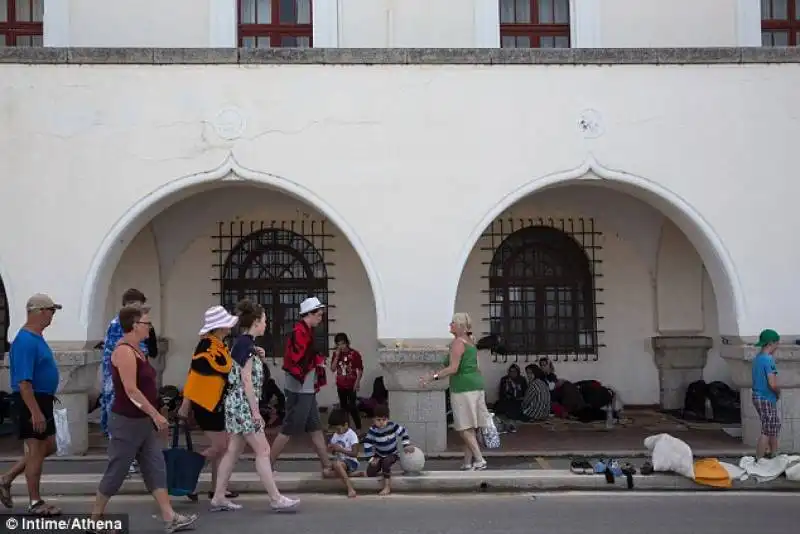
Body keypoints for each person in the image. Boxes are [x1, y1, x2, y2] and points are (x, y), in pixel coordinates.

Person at [89, 304, 197, 533]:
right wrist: (155, 414)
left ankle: (170, 517)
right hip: (127, 422)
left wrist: (156, 413)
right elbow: (131, 390)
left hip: (142, 422)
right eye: (147, 323)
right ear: (135, 325)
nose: (150, 327)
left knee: (155, 467)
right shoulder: (124, 352)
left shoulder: (139, 350)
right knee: (117, 470)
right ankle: (95, 519)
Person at [210, 299, 299, 512]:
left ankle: (219, 496)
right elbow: (246, 380)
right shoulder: (246, 345)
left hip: (235, 403)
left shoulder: (243, 344)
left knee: (233, 450)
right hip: (243, 404)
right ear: (256, 322)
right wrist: (256, 411)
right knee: (263, 449)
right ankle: (275, 498)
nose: (266, 324)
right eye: (265, 320)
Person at [0, 294, 62, 515]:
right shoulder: (25, 340)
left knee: (49, 446)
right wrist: (35, 412)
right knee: (36, 450)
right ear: (39, 311)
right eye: (51, 311)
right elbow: (24, 382)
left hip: (42, 400)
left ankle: (6, 478)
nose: (52, 316)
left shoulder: (36, 337)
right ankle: (35, 502)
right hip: (31, 401)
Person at [178, 305, 240, 503]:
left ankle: (218, 488)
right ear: (220, 327)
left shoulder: (217, 345)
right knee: (221, 445)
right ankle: (189, 475)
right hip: (206, 404)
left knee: (223, 446)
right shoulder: (207, 346)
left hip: (216, 402)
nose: (230, 328)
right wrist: (185, 403)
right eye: (227, 325)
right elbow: (194, 375)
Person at [269, 296, 332, 474]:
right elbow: (298, 359)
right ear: (309, 314)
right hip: (300, 387)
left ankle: (327, 465)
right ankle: (267, 464)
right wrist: (317, 361)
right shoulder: (299, 332)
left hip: (306, 386)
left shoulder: (304, 331)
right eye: (318, 315)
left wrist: (316, 360)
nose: (320, 318)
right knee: (289, 426)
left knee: (315, 426)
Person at [101, 288, 157, 475]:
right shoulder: (119, 325)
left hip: (128, 375)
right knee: (122, 419)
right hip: (121, 378)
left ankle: (133, 459)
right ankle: (123, 462)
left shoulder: (123, 325)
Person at [422, 313, 489, 471]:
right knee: (470, 427)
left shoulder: (458, 343)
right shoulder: (470, 341)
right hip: (476, 385)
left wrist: (433, 377)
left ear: (459, 326)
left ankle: (479, 459)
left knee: (463, 427)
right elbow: (478, 366)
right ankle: (467, 462)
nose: (450, 325)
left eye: (452, 323)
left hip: (463, 387)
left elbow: (453, 368)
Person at [362, 404, 414, 496]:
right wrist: (371, 459)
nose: (381, 422)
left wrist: (406, 445)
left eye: (384, 419)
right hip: (379, 455)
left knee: (386, 463)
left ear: (388, 419)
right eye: (378, 420)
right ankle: (377, 469)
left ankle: (387, 487)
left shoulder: (392, 426)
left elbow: (404, 432)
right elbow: (367, 444)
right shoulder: (372, 430)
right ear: (373, 419)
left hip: (392, 454)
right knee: (371, 472)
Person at [751, 328, 781, 459]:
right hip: (766, 397)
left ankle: (774, 455)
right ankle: (759, 459)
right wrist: (778, 392)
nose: (777, 346)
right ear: (771, 343)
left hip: (758, 396)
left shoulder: (758, 358)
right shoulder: (768, 360)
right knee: (767, 430)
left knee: (773, 426)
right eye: (777, 343)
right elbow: (772, 383)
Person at [323, 408, 363, 498]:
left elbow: (355, 453)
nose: (337, 431)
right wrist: (331, 449)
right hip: (340, 461)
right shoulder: (336, 435)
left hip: (351, 462)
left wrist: (341, 450)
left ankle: (350, 488)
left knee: (337, 465)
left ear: (346, 425)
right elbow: (334, 452)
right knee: (326, 472)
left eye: (338, 428)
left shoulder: (351, 435)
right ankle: (351, 474)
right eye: (335, 429)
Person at [330, 332, 364, 431]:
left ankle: (358, 428)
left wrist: (357, 383)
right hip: (340, 384)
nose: (341, 346)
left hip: (351, 384)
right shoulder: (336, 354)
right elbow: (332, 369)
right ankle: (346, 428)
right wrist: (336, 356)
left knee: (353, 406)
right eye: (338, 344)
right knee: (343, 407)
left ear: (347, 343)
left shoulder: (354, 354)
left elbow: (360, 369)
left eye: (342, 343)